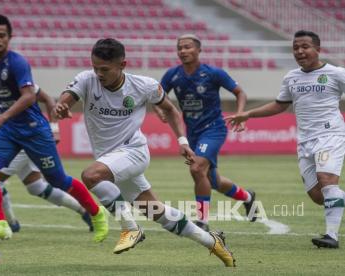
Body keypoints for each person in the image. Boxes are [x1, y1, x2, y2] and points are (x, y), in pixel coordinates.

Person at [53, 38, 235, 266]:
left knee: (90, 175)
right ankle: (212, 241)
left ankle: (130, 229)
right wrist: (62, 106)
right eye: (95, 67)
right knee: (156, 211)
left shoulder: (143, 85)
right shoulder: (86, 80)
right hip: (110, 160)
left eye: (105, 69)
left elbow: (170, 110)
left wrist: (182, 141)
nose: (99, 73)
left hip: (133, 152)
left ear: (123, 65)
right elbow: (66, 99)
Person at [0, 14, 107, 241]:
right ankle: (1, 223)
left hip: (33, 130)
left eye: (2, 35)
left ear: (9, 37)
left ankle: (97, 213)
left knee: (57, 180)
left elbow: (30, 96)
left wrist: (1, 118)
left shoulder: (18, 62)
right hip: (10, 131)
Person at [226, 30, 345, 249]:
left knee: (327, 179)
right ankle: (337, 204)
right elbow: (280, 104)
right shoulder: (291, 77)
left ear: (317, 49)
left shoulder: (336, 73)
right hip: (305, 140)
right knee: (318, 196)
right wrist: (248, 114)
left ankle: (331, 237)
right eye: (296, 47)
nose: (300, 51)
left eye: (305, 46)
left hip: (331, 135)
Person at [0, 50, 93, 233]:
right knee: (36, 187)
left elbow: (48, 100)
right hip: (9, 137)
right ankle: (84, 211)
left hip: (28, 135)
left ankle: (9, 224)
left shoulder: (19, 83)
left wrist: (54, 129)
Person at [154, 34, 257, 231]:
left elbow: (240, 92)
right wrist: (159, 110)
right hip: (192, 134)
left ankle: (202, 222)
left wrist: (241, 113)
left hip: (214, 129)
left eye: (187, 47)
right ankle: (247, 196)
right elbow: (157, 96)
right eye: (180, 48)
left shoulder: (213, 73)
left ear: (199, 50)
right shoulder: (172, 75)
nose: (183, 51)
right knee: (213, 181)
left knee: (196, 169)